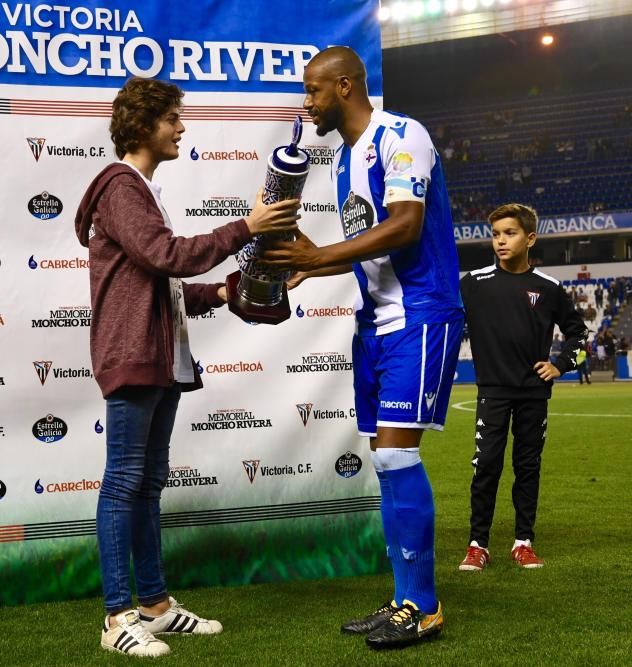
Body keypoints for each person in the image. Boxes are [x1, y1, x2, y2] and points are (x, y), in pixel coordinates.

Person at [74, 77, 299, 658]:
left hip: (163, 358)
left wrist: (228, 292)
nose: (182, 127)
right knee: (124, 484)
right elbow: (164, 255)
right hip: (135, 357)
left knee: (145, 486)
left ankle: (154, 607)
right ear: (145, 123)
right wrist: (246, 227)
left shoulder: (142, 190)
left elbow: (163, 284)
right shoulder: (122, 186)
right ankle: (116, 616)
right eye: (174, 117)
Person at [260, 46, 463, 649]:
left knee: (399, 457)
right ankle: (404, 597)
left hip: (420, 314)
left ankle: (423, 606)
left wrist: (319, 256)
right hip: (375, 323)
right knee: (384, 461)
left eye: (313, 92)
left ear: (344, 85)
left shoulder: (402, 135)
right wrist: (310, 268)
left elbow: (406, 224)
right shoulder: (344, 159)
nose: (307, 104)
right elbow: (371, 247)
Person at [458, 204, 588, 572]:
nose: (500, 240)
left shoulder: (549, 288)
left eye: (509, 233)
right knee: (486, 467)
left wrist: (560, 365)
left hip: (533, 393)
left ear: (530, 238)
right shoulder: (473, 283)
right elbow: (445, 318)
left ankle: (523, 542)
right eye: (496, 234)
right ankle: (477, 544)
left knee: (527, 467)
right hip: (493, 392)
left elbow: (580, 334)